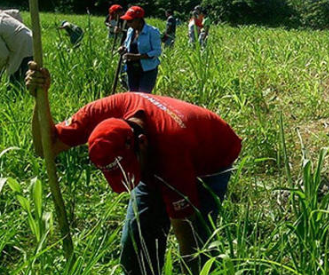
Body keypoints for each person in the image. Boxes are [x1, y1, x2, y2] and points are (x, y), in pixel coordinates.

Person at [25, 63, 242, 274]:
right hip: (165, 150)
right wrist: (39, 97)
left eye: (129, 171)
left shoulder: (170, 154)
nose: (130, 184)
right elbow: (45, 147)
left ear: (142, 144)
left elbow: (184, 234)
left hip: (212, 156)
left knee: (198, 240)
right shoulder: (101, 112)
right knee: (136, 242)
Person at [118, 6, 162, 93]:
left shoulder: (152, 32)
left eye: (130, 21)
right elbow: (128, 45)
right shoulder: (130, 31)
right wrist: (123, 48)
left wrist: (137, 57)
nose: (127, 23)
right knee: (133, 95)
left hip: (147, 70)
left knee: (143, 96)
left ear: (138, 20)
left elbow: (157, 51)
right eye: (126, 21)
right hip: (131, 69)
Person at [0, 12, 33, 87]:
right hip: (31, 40)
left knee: (16, 87)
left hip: (23, 49)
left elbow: (2, 55)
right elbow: (16, 13)